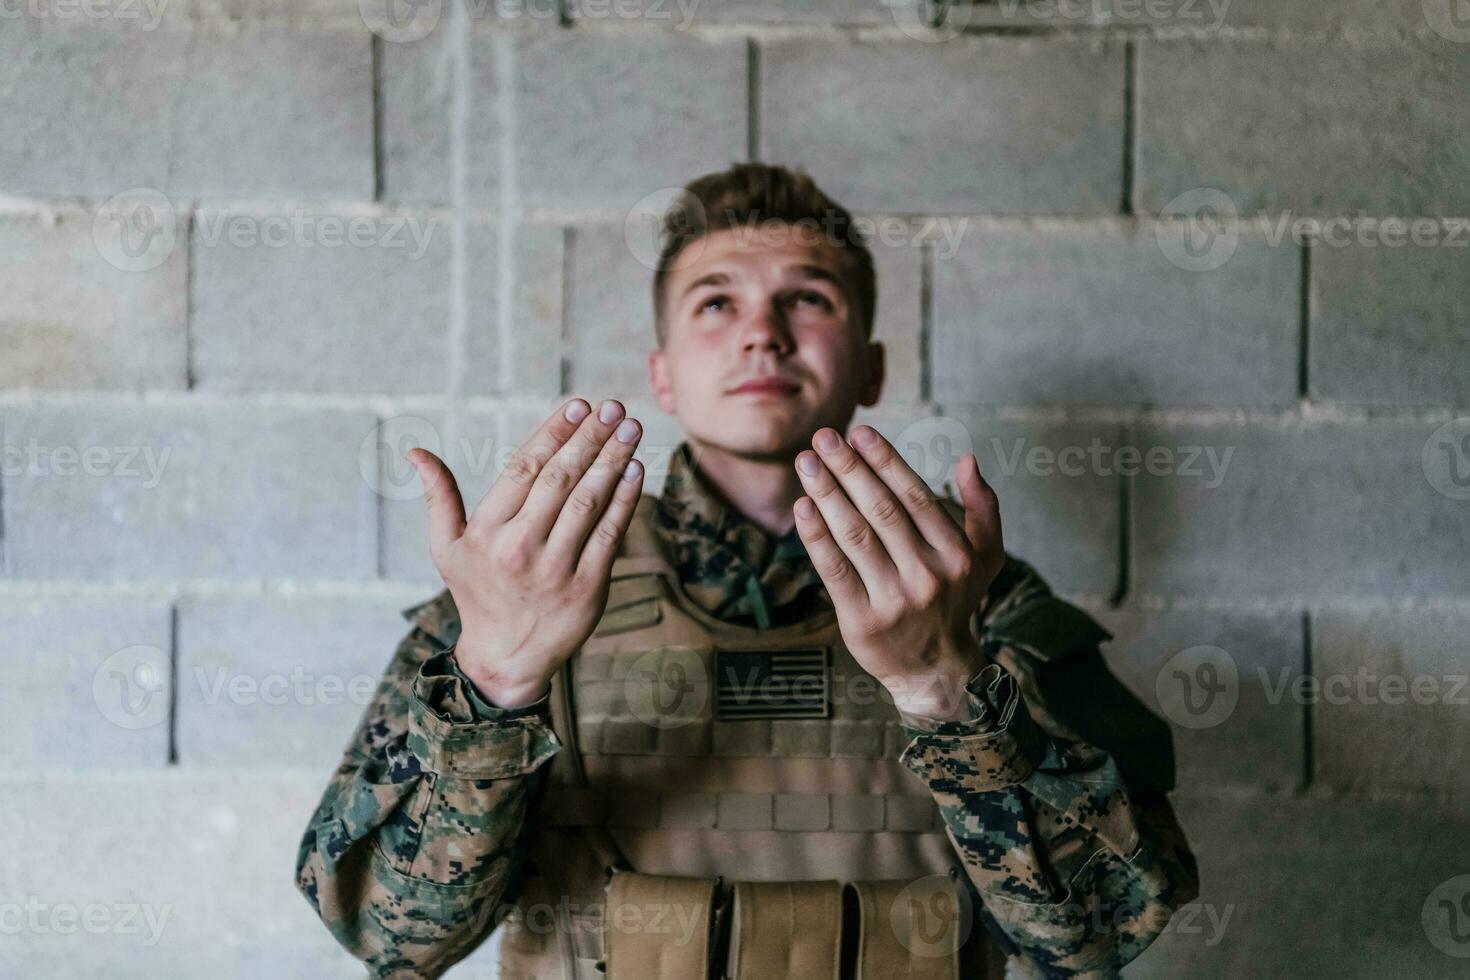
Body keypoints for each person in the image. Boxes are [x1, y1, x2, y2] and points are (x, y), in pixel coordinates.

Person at [295, 163, 1198, 979]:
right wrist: (494, 680)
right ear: (664, 375)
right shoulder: (519, 589)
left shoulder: (977, 596)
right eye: (716, 303)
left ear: (872, 365)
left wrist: (946, 691)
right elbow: (388, 938)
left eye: (809, 299)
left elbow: (1104, 934)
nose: (762, 334)